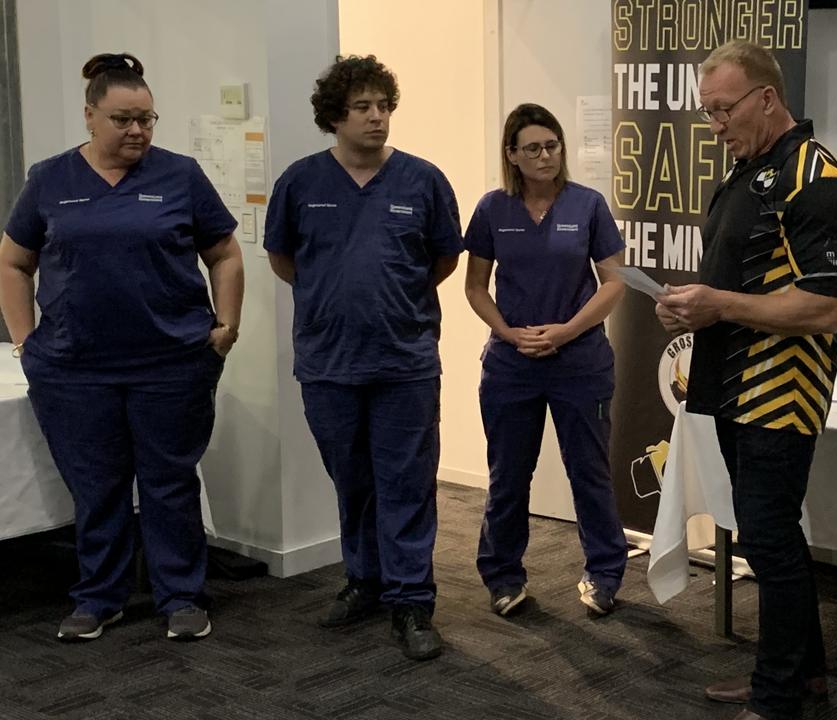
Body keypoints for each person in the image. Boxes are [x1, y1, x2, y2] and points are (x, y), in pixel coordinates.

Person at [0, 52, 244, 642]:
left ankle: (180, 596)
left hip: (172, 363)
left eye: (146, 119)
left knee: (169, 482)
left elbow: (226, 253)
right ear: (90, 116)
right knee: (97, 485)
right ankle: (99, 597)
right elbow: (13, 261)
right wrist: (25, 339)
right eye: (122, 119)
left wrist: (226, 325)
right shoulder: (50, 179)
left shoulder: (180, 175)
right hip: (74, 368)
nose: (137, 130)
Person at [655, 40, 837, 720]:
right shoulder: (749, 171)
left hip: (781, 392)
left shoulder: (818, 178)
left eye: (723, 109)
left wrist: (719, 305)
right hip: (734, 383)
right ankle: (804, 675)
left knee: (770, 541)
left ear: (767, 98)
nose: (715, 124)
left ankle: (778, 697)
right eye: (707, 110)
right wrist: (691, 303)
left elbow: (824, 308)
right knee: (771, 539)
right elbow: (737, 283)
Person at [264, 55, 462, 661]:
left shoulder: (423, 181)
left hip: (404, 361)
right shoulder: (300, 183)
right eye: (363, 108)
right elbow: (282, 260)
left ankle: (411, 600)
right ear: (335, 117)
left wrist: (389, 300)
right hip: (328, 362)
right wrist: (334, 300)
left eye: (384, 106)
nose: (377, 118)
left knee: (406, 482)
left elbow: (443, 261)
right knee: (351, 480)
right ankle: (364, 580)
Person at [463, 103, 628, 618]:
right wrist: (508, 333)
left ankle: (603, 574)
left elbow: (615, 283)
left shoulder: (588, 205)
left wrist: (566, 331)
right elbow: (474, 286)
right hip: (512, 365)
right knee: (508, 475)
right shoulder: (493, 209)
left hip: (579, 361)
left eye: (552, 145)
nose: (545, 156)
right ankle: (503, 576)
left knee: (590, 473)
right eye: (532, 148)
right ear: (511, 155)